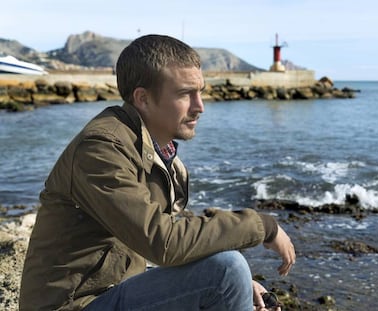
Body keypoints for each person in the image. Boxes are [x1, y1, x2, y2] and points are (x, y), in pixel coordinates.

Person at [19, 34, 295, 311]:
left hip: (108, 289)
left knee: (229, 274)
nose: (200, 106)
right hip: (74, 304)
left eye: (200, 91)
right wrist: (263, 226)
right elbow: (163, 242)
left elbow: (164, 230)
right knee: (226, 268)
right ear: (143, 99)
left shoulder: (150, 148)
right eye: (185, 94)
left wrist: (239, 285)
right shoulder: (102, 149)